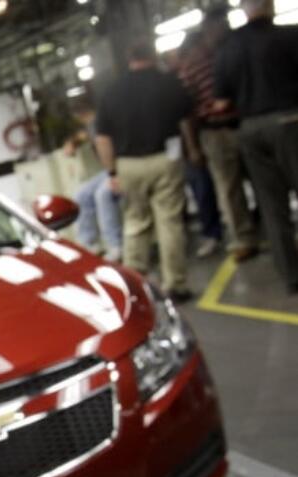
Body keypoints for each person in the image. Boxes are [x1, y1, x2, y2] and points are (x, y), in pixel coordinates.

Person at [95, 39, 198, 302]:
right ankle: (175, 284)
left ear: (128, 59)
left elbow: (103, 138)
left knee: (135, 224)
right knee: (169, 222)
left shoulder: (112, 91)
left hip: (128, 165)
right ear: (152, 54)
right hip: (166, 158)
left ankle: (134, 286)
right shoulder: (169, 83)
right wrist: (193, 149)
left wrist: (111, 173)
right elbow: (187, 120)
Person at [215, 0, 298, 293]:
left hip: (249, 129)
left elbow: (221, 100)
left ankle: (291, 276)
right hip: (290, 121)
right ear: (270, 6)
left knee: (272, 207)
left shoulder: (228, 49)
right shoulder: (290, 36)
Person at [177, 5, 259, 263]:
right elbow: (187, 112)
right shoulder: (191, 65)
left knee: (263, 180)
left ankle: (267, 226)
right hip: (215, 132)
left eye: (225, 23)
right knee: (229, 188)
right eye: (217, 25)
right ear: (207, 30)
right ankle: (243, 238)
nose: (223, 29)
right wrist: (193, 147)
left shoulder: (238, 51)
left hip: (246, 123)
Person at [66, 100, 123, 261]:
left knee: (102, 194)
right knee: (81, 195)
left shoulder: (106, 121)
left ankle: (116, 245)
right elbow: (81, 136)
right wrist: (73, 142)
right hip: (108, 171)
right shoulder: (90, 126)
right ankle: (88, 244)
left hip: (122, 167)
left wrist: (114, 174)